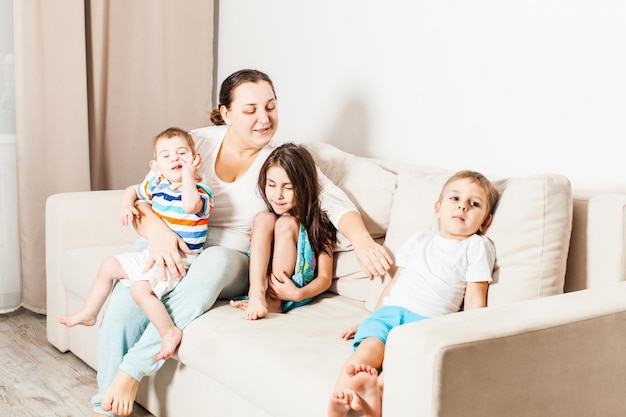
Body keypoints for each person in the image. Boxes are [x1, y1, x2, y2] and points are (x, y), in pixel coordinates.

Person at [92, 69, 393, 417]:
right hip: (176, 245)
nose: (263, 119)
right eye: (250, 110)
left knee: (214, 263)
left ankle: (133, 370)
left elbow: (336, 203)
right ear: (226, 113)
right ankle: (105, 404)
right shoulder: (194, 143)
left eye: (271, 107)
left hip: (231, 258)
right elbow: (147, 196)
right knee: (128, 289)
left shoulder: (279, 159)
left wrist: (363, 242)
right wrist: (157, 233)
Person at [328, 170, 500, 417]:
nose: (462, 207)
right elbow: (394, 284)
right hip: (388, 313)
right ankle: (339, 402)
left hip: (427, 322)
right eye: (455, 199)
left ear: (485, 222)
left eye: (473, 204)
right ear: (438, 208)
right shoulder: (420, 239)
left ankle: (375, 393)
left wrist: (472, 339)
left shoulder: (476, 246)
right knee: (367, 350)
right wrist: (370, 319)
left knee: (400, 362)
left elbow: (475, 298)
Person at [59, 127, 212, 363]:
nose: (175, 158)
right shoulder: (157, 186)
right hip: (153, 253)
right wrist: (126, 205)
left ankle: (169, 331)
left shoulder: (200, 191)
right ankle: (90, 313)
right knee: (108, 265)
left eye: (182, 152)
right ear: (156, 166)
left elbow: (191, 206)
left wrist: (190, 175)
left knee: (139, 290)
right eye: (166, 155)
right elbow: (132, 190)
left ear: (194, 159)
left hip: (180, 261)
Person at [230, 143, 337, 317]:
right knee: (263, 218)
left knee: (286, 223)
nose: (277, 195)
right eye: (271, 185)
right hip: (262, 282)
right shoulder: (270, 218)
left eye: (287, 187)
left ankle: (273, 302)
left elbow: (325, 278)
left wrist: (299, 294)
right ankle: (257, 294)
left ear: (304, 186)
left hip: (293, 289)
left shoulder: (320, 223)